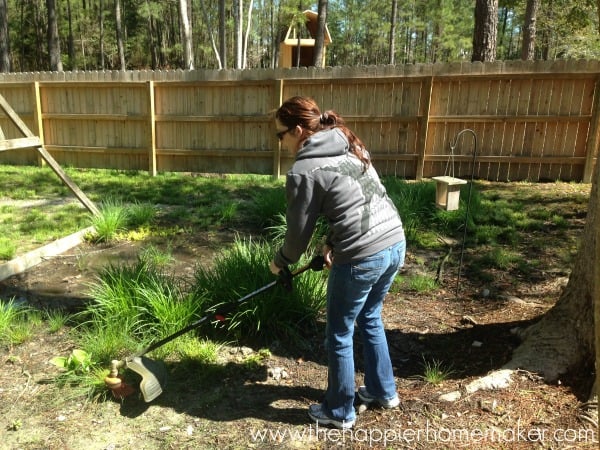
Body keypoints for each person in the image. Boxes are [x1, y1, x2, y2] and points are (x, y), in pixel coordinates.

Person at [269, 96, 406, 429]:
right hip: (394, 242)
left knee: (339, 334)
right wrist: (331, 241)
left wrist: (280, 262)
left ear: (299, 130)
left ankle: (340, 411)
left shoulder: (304, 169)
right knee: (370, 316)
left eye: (280, 134)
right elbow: (361, 199)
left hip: (363, 255)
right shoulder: (347, 142)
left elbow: (297, 236)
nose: (279, 141)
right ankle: (382, 391)